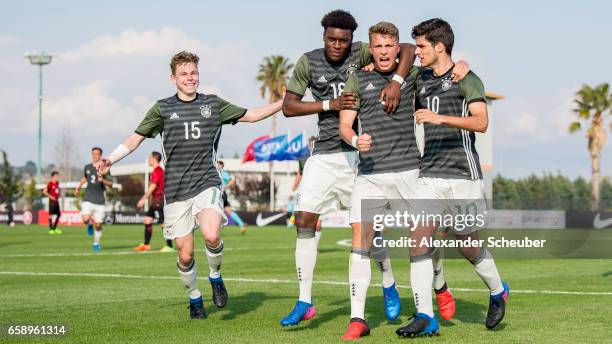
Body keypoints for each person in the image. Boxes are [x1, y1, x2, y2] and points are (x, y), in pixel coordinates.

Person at [97, 51, 282, 319]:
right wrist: (110, 159)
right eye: (183, 74)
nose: (189, 78)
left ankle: (215, 277)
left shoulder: (213, 104)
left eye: (193, 73)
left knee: (211, 234)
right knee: (185, 255)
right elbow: (135, 138)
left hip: (206, 182)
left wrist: (284, 102)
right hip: (175, 192)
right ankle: (195, 297)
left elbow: (252, 115)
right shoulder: (162, 108)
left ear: (199, 75)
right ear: (173, 78)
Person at [280, 9, 418, 327]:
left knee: (369, 229)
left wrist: (396, 80)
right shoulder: (308, 61)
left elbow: (408, 49)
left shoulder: (364, 51)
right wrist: (331, 104)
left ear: (353, 40)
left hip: (363, 155)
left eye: (343, 40)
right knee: (304, 218)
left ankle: (388, 284)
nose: (337, 45)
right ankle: (304, 300)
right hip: (326, 153)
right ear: (323, 36)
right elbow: (289, 106)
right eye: (332, 38)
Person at [338, 22, 460, 340]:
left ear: (396, 48)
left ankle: (440, 284)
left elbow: (434, 64)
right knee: (360, 239)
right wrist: (355, 141)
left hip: (409, 172)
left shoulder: (412, 76)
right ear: (370, 47)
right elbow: (345, 125)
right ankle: (358, 318)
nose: (382, 52)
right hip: (370, 175)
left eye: (388, 46)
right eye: (377, 46)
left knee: (422, 240)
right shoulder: (357, 78)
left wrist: (461, 65)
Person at [395, 18, 509, 337]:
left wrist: (438, 118)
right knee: (417, 241)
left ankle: (498, 290)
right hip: (429, 175)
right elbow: (398, 51)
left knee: (467, 246)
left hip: (463, 175)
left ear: (439, 47)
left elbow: (481, 122)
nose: (416, 52)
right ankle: (425, 316)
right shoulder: (418, 76)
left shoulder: (467, 78)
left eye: (421, 46)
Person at [134, 151, 174, 252]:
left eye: (149, 158)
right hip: (156, 200)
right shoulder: (156, 170)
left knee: (163, 223)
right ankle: (146, 245)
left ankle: (169, 246)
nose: (148, 160)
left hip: (159, 200)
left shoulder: (158, 170)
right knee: (147, 220)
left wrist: (143, 199)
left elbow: (152, 187)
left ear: (154, 159)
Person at [75, 147, 112, 252]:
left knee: (99, 224)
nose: (95, 156)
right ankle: (89, 224)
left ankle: (96, 243)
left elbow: (111, 184)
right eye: (93, 154)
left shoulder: (105, 168)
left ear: (101, 155)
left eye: (97, 154)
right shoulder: (87, 167)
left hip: (100, 200)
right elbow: (85, 177)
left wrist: (103, 180)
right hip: (88, 198)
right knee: (85, 219)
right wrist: (79, 186)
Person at [217, 160, 247, 234]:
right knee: (226, 211)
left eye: (219, 164)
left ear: (221, 166)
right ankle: (242, 224)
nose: (218, 165)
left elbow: (232, 180)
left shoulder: (222, 173)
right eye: (217, 164)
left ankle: (221, 224)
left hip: (221, 194)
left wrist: (225, 186)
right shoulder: (214, 172)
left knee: (223, 210)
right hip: (218, 194)